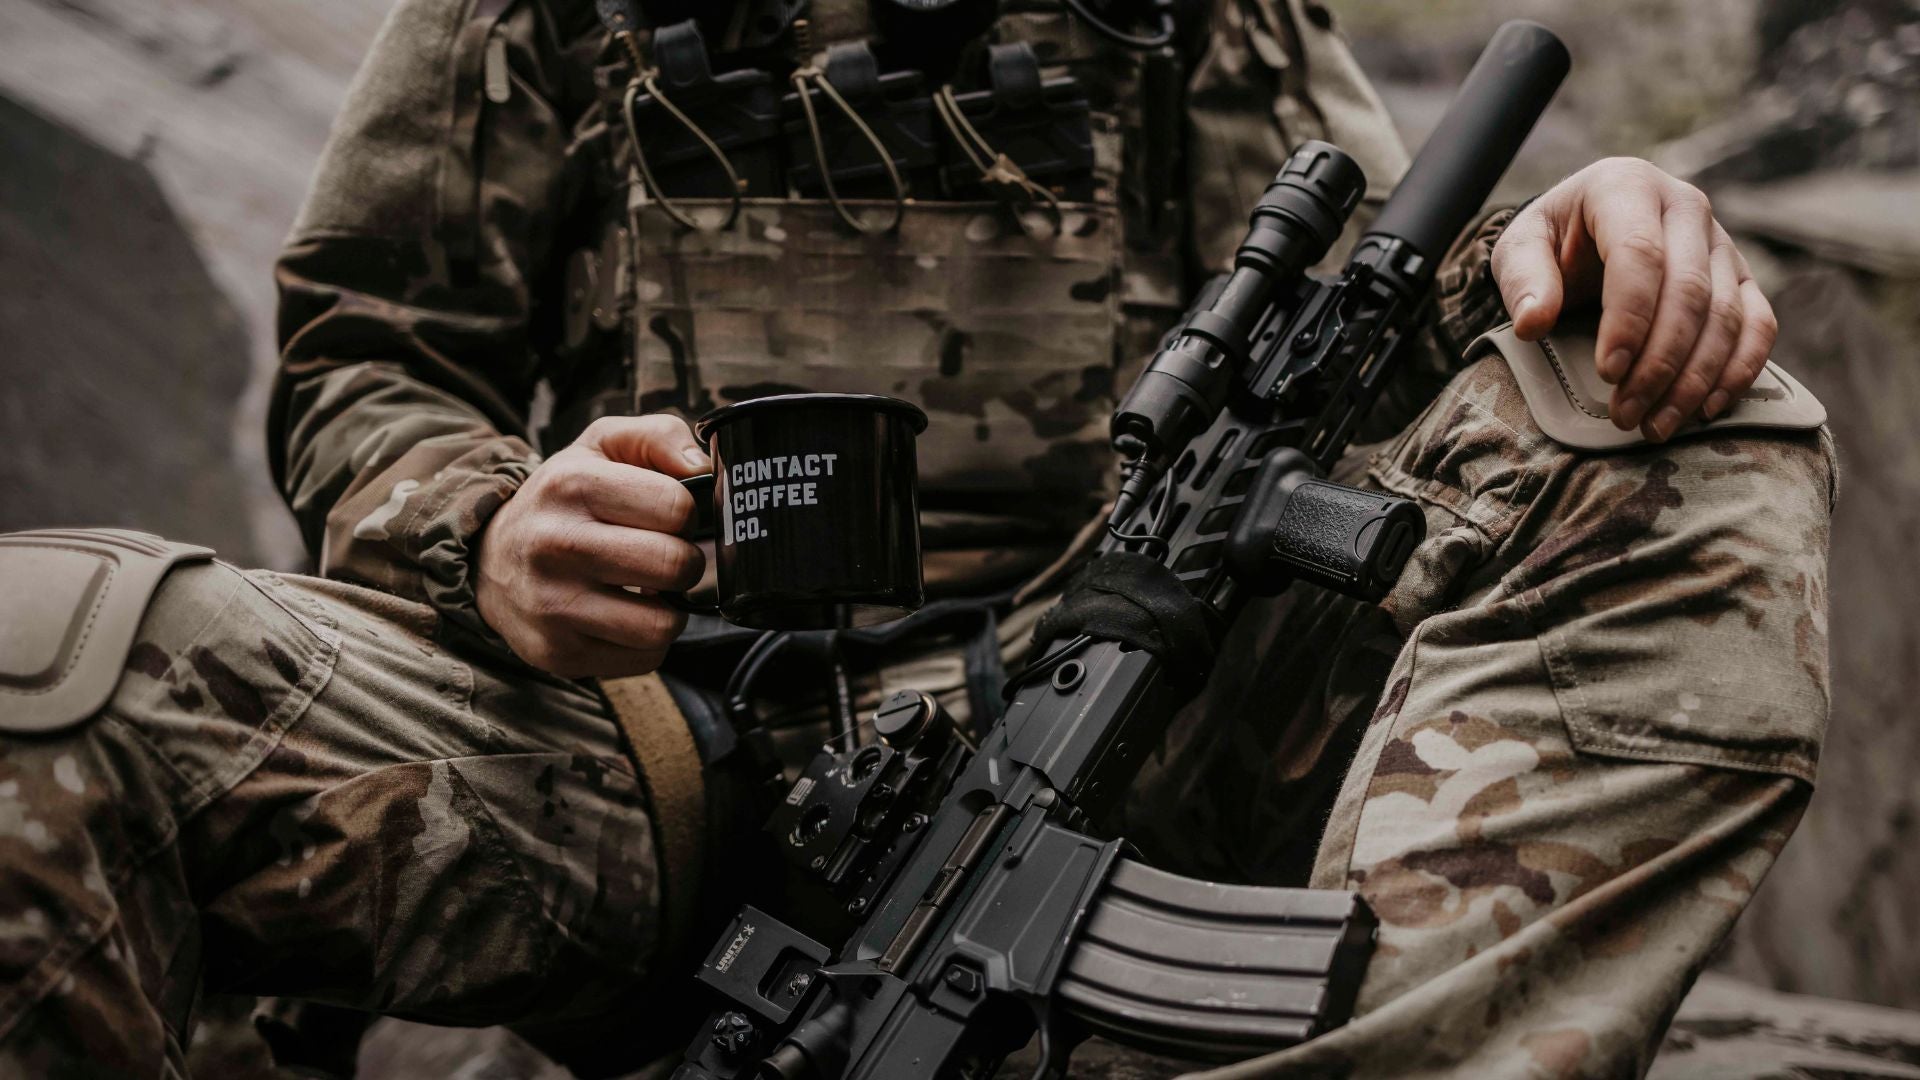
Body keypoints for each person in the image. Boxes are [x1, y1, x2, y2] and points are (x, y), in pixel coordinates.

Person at [0, 1, 1831, 1077]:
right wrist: (483, 530)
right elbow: (365, 360)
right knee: (54, 645)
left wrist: (1586, 227)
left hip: (1132, 698)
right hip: (647, 748)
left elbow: (1366, 299)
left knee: (1672, 394)